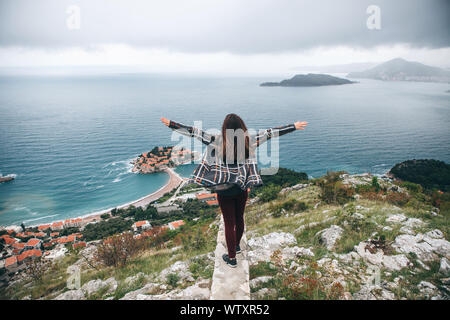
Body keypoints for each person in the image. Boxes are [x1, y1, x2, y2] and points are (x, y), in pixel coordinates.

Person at [161, 114, 307, 268]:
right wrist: (293, 126)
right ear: (242, 128)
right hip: (242, 188)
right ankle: (236, 247)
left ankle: (231, 258)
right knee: (239, 218)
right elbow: (270, 133)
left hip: (224, 190)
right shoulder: (249, 141)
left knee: (229, 224)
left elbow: (194, 132)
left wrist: (172, 124)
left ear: (224, 128)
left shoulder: (216, 141)